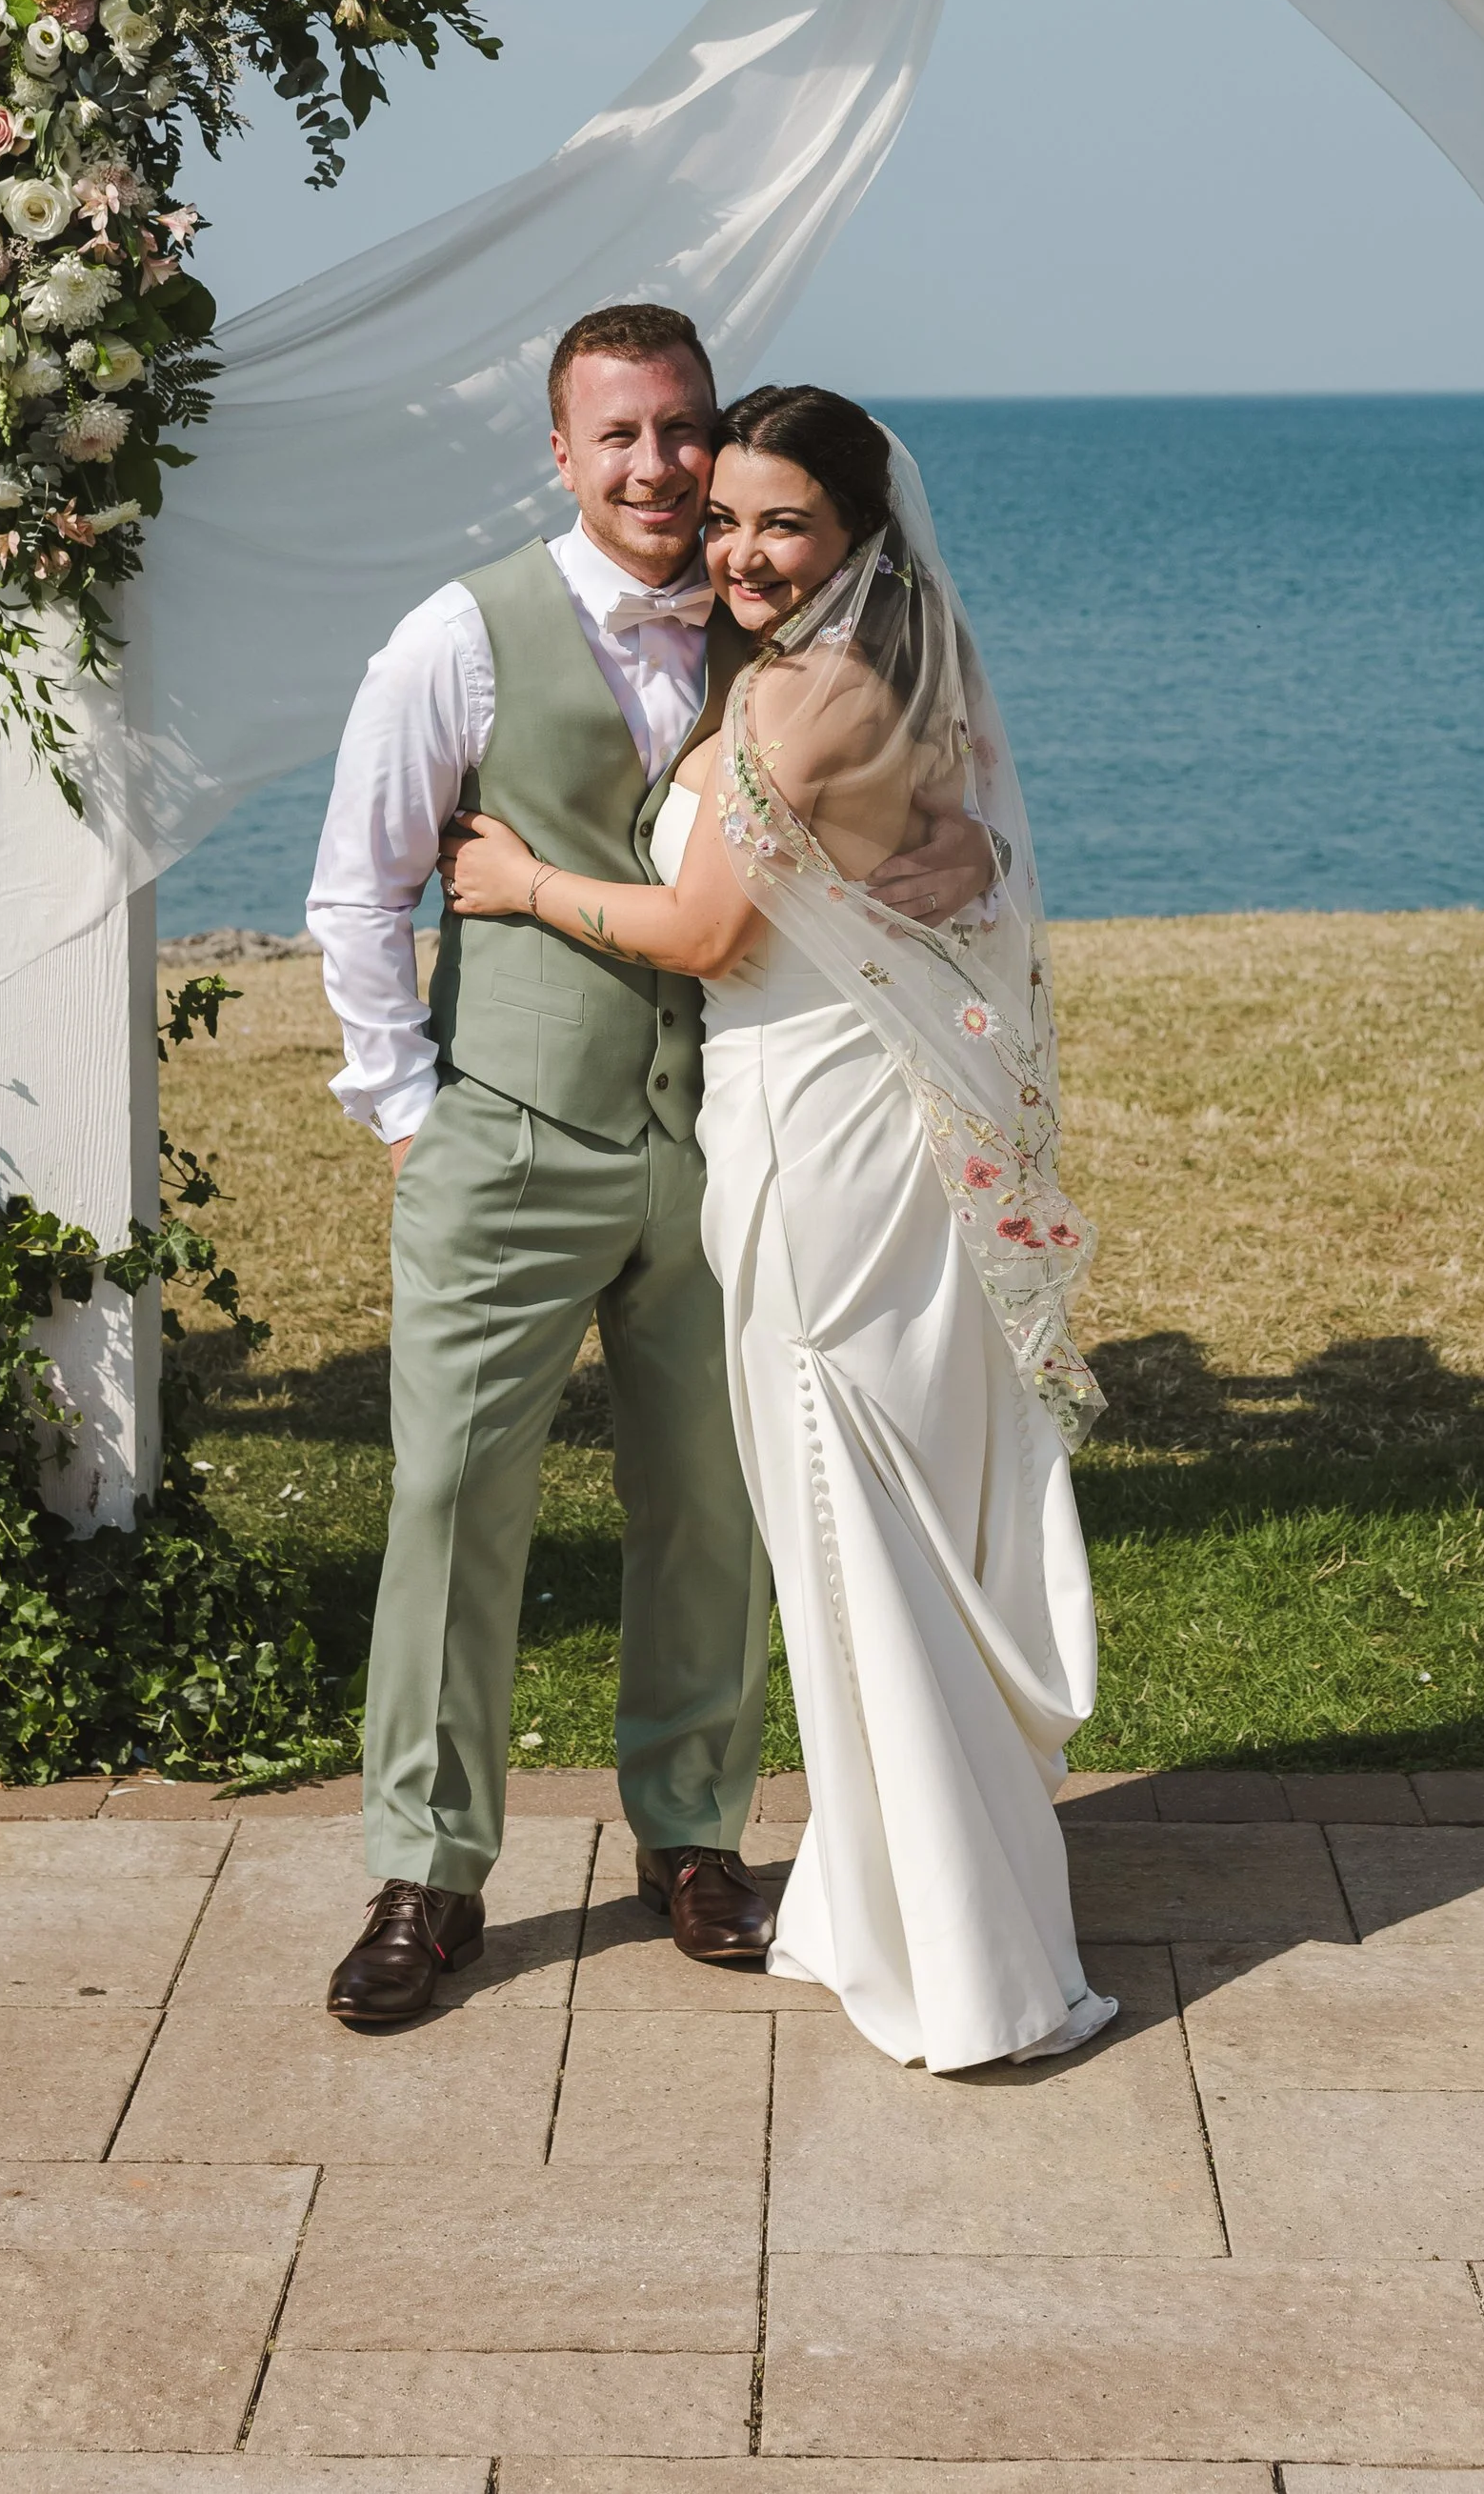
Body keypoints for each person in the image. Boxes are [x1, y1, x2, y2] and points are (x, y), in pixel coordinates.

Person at [308, 306, 987, 2029]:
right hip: (510, 1145)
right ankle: (428, 1870)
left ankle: (691, 1837)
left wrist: (961, 837)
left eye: (682, 431)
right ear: (560, 451)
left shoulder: (784, 627)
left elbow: (902, 799)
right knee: (452, 1502)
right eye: (618, 436)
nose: (658, 467)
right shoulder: (454, 642)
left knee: (712, 1503)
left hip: (726, 1145)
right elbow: (358, 889)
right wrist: (408, 1112)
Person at [441, 382, 1116, 2071]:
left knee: (844, 1508)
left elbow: (698, 929)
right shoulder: (848, 673)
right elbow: (941, 842)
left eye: (782, 524)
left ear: (856, 539)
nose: (738, 549)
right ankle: (892, 1892)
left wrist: (521, 888)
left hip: (822, 1144)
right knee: (847, 1517)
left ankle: (964, 1956)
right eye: (726, 517)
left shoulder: (807, 698)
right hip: (827, 1119)